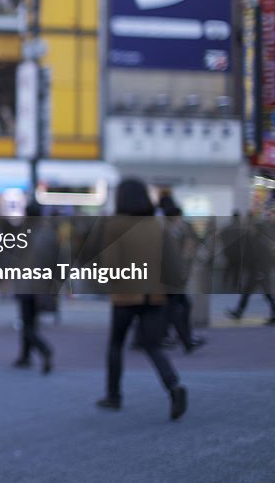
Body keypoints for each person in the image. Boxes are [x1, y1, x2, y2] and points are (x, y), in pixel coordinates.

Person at [95, 179, 187, 421]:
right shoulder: (157, 225)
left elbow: (111, 264)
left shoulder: (115, 225)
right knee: (153, 345)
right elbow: (174, 264)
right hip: (155, 295)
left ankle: (113, 395)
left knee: (116, 344)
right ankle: (173, 386)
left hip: (126, 294)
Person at [12, 201, 56, 374]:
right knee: (31, 322)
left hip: (26, 283)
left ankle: (43, 349)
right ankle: (25, 356)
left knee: (27, 323)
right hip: (42, 284)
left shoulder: (23, 233)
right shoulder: (49, 233)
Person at [158, 195, 206, 352]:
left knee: (176, 307)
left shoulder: (168, 227)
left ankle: (178, 337)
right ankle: (184, 339)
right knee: (175, 308)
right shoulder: (170, 230)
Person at [227, 202, 275, 326]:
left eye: (253, 228)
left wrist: (261, 272)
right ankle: (239, 312)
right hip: (257, 272)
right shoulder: (259, 240)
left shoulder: (260, 242)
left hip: (260, 273)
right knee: (249, 293)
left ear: (257, 229)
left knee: (267, 294)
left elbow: (264, 260)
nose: (251, 229)